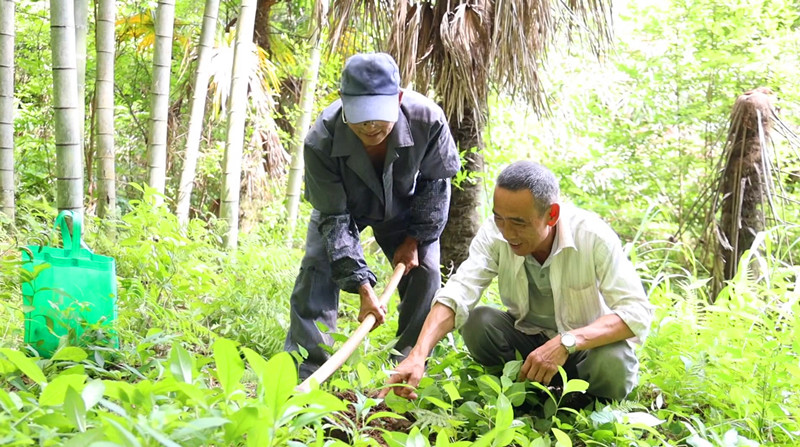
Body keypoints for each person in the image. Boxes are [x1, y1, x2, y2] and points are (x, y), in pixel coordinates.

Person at [382, 161, 653, 402]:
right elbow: (459, 292)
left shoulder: (593, 237)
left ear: (552, 215)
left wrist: (567, 341)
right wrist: (418, 354)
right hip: (527, 345)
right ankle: (524, 391)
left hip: (583, 350)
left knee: (614, 361)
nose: (508, 233)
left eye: (519, 223)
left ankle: (585, 402)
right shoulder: (494, 235)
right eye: (499, 218)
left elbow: (637, 313)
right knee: (478, 322)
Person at [284, 52, 460, 379]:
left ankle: (408, 364)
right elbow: (334, 220)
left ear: (399, 98)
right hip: (343, 209)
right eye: (361, 115)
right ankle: (305, 370)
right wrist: (364, 290)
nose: (370, 125)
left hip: (407, 210)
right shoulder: (321, 140)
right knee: (317, 268)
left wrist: (414, 241)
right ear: (343, 103)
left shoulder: (428, 120)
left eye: (378, 114)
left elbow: (436, 187)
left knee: (427, 271)